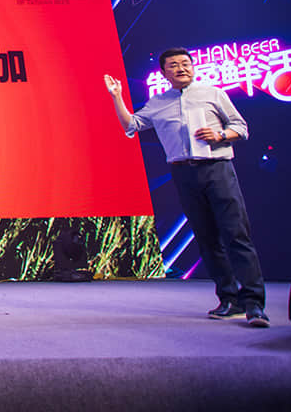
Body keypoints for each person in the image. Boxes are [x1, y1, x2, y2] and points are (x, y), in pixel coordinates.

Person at [104, 47, 269, 327]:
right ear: (163, 72)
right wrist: (117, 96)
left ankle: (254, 304)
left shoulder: (212, 93)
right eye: (174, 65)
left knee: (236, 235)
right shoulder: (158, 102)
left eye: (185, 63)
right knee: (207, 238)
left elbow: (241, 128)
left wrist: (220, 135)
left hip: (217, 168)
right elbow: (132, 125)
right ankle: (228, 299)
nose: (181, 68)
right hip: (183, 172)